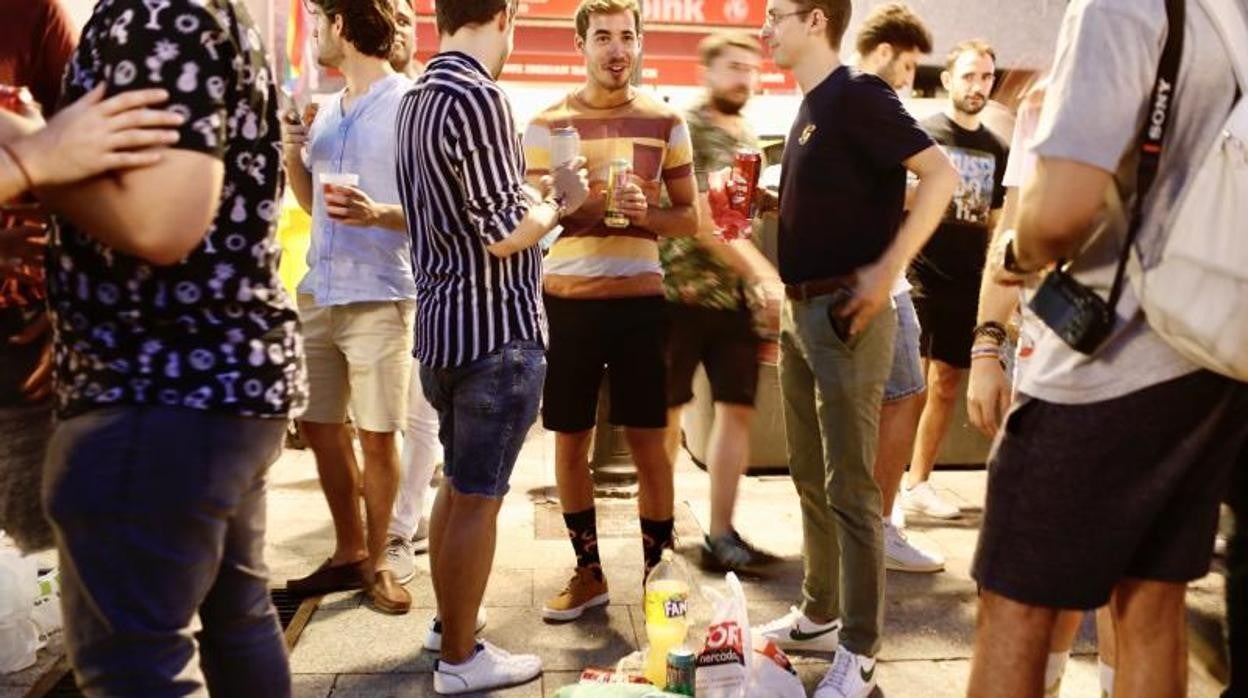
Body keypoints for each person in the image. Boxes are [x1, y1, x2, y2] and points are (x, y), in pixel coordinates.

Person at [967, 0, 1248, 695]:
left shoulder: (1118, 7)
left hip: (1105, 362)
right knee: (1152, 601)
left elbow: (1060, 212)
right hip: (1208, 354)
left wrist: (1013, 251)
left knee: (1015, 605)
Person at [31, 0, 306, 692]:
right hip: (208, 382)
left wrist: (32, 156)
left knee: (137, 665)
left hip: (157, 382)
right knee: (235, 620)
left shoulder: (155, 13)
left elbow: (163, 222)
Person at [752, 1, 957, 696]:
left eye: (776, 14)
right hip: (799, 310)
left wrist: (888, 269)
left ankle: (861, 650)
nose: (764, 28)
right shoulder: (811, 107)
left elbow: (941, 176)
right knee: (809, 474)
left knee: (852, 487)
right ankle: (819, 614)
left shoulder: (859, 93)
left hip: (846, 315)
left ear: (816, 20)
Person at [395, 0, 589, 691]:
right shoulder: (479, 97)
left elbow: (463, 211)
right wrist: (560, 202)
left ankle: (449, 626)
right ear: (505, 15)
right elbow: (505, 235)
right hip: (494, 334)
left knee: (458, 486)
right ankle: (460, 660)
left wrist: (527, 196)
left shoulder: (417, 97)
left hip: (442, 332)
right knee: (478, 499)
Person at [523, 0, 699, 621]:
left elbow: (691, 218)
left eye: (627, 36)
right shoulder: (545, 124)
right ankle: (589, 572)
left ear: (640, 43)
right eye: (603, 37)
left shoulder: (666, 121)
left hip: (641, 304)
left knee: (651, 445)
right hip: (567, 302)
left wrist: (647, 214)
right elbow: (533, 218)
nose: (617, 49)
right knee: (570, 441)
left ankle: (658, 576)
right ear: (582, 45)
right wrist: (577, 204)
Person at [966, 77, 1118, 698]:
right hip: (1051, 360)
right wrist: (986, 347)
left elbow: (1024, 236)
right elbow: (1013, 226)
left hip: (1132, 368)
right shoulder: (1048, 97)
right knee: (1034, 572)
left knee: (1117, 577)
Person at [280, 0, 418, 616]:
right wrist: (293, 152)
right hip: (320, 290)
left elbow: (438, 208)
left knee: (379, 434)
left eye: (318, 23)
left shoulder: (408, 105)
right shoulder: (328, 111)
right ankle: (349, 550)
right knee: (317, 425)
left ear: (340, 25)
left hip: (380, 293)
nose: (314, 34)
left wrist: (378, 213)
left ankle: (381, 561)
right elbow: (313, 205)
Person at [657, 30, 783, 575]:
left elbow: (737, 208)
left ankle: (721, 534)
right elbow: (706, 222)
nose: (743, 78)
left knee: (737, 410)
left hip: (733, 299)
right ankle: (658, 526)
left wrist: (767, 201)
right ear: (707, 72)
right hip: (679, 293)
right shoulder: (688, 127)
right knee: (668, 414)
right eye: (733, 67)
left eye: (750, 69)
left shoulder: (748, 134)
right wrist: (765, 274)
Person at [851, 1, 945, 574]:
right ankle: (880, 525)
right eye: (908, 65)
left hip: (875, 278)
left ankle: (874, 520)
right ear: (884, 52)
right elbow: (940, 175)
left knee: (887, 400)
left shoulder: (840, 99)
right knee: (905, 395)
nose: (909, 79)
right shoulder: (873, 98)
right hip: (880, 280)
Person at [900, 39, 1008, 521]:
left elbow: (998, 224)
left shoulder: (997, 149)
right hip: (920, 275)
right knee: (909, 386)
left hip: (968, 281)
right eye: (968, 75)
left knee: (945, 385)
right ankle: (888, 486)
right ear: (947, 80)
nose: (977, 86)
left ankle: (918, 482)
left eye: (986, 77)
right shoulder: (923, 134)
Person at [0, 0, 78, 553]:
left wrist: (70, 290)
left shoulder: (31, 12)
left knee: (40, 536)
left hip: (19, 321)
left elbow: (86, 162)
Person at [381, 0, 443, 587]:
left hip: (424, 279)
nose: (398, 29)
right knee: (381, 420)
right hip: (372, 280)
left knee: (420, 415)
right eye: (390, 18)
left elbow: (438, 204)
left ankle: (400, 528)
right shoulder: (356, 99)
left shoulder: (427, 94)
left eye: (407, 20)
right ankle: (395, 518)